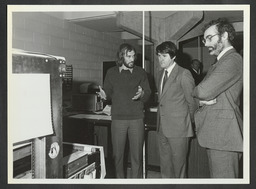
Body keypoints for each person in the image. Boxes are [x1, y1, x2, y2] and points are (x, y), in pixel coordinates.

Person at [192, 18, 243, 178]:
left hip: (223, 136)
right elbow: (201, 94)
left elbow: (202, 90)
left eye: (210, 38)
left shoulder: (232, 60)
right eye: (204, 39)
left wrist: (198, 95)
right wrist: (199, 99)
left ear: (225, 35)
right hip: (217, 134)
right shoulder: (220, 62)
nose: (206, 44)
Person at [97, 43, 151, 178]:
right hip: (118, 119)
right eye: (128, 56)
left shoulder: (140, 72)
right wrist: (105, 96)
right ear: (121, 57)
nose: (132, 59)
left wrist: (142, 94)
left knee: (136, 157)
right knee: (118, 156)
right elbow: (108, 92)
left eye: (133, 56)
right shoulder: (111, 72)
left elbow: (148, 92)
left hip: (136, 119)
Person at [155, 41, 197, 178]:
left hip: (179, 130)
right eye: (159, 55)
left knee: (179, 169)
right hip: (162, 128)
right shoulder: (160, 74)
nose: (160, 59)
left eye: (164, 56)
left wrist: (187, 123)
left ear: (173, 57)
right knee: (165, 168)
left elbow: (192, 103)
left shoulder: (184, 74)